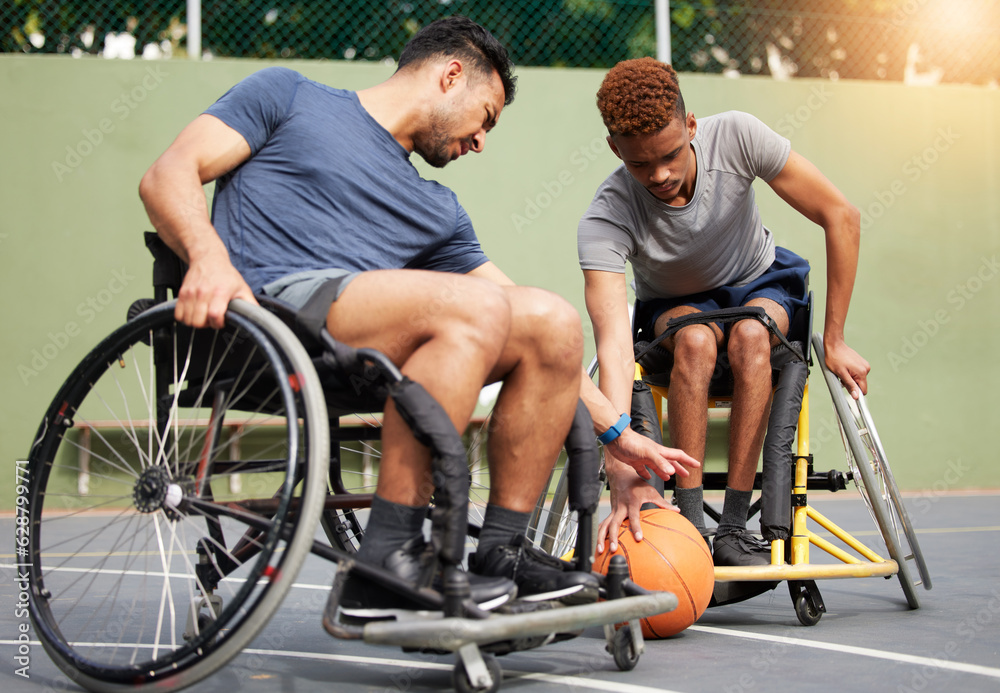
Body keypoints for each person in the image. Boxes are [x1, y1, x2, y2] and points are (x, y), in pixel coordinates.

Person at [138, 17, 675, 616]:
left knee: (551, 320)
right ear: (451, 75)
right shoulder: (288, 95)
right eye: (486, 118)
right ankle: (386, 559)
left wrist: (620, 438)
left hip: (364, 350)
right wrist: (208, 260)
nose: (481, 141)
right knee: (476, 306)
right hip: (265, 317)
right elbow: (168, 174)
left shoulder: (436, 209)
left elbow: (534, 325)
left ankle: (501, 553)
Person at [577, 58, 871, 586]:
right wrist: (619, 455)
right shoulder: (607, 214)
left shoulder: (736, 136)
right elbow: (614, 346)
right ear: (615, 149)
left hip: (760, 285)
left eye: (669, 155)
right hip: (676, 307)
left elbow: (841, 215)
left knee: (753, 333)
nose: (660, 175)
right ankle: (691, 524)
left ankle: (734, 529)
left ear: (692, 127)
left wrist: (837, 338)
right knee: (692, 339)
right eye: (642, 164)